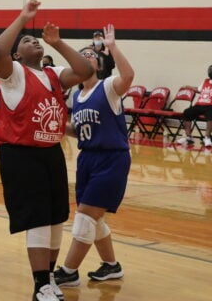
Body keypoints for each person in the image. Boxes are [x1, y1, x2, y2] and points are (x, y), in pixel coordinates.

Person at [0, 0, 93, 301]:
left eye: (35, 40)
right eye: (26, 41)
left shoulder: (52, 73)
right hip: (20, 153)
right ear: (17, 54)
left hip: (50, 151)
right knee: (36, 217)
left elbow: (85, 70)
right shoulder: (12, 74)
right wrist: (23, 18)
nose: (32, 41)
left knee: (55, 216)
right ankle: (39, 286)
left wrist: (58, 42)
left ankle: (49, 278)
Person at [53, 24, 134, 289]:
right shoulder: (77, 95)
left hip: (112, 159)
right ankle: (111, 266)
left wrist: (113, 47)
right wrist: (56, 127)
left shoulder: (109, 86)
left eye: (90, 54)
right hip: (87, 159)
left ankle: (69, 271)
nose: (86, 56)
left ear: (98, 65)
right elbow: (81, 130)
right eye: (81, 54)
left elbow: (129, 75)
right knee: (94, 218)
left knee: (85, 217)